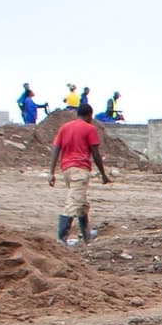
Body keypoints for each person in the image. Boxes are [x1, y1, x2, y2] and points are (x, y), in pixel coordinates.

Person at [50, 103, 111, 244]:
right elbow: (95, 153)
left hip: (66, 170)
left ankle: (87, 235)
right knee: (73, 203)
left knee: (81, 203)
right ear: (89, 115)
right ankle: (61, 238)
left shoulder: (64, 128)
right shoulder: (90, 129)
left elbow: (56, 148)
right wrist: (103, 174)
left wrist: (51, 172)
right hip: (80, 169)